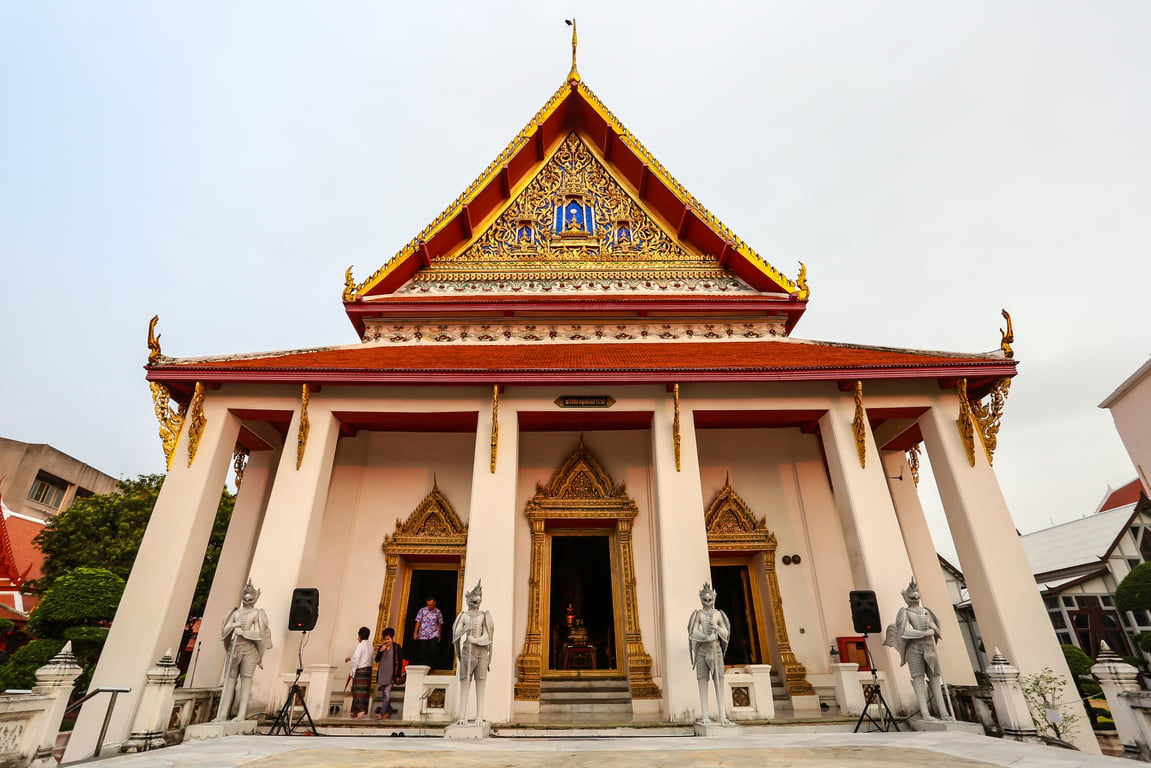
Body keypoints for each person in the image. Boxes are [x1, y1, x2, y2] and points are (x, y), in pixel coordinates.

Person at [884, 578, 953, 721]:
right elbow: (904, 632)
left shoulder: (926, 612)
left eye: (916, 594)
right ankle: (925, 713)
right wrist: (924, 633)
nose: (914, 597)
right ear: (905, 598)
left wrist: (934, 629)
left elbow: (938, 631)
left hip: (929, 648)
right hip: (914, 649)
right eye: (911, 595)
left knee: (935, 678)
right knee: (918, 679)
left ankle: (944, 713)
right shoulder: (904, 612)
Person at [214, 579, 272, 722]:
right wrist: (234, 625)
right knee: (229, 680)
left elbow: (259, 633)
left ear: (255, 599)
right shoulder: (235, 613)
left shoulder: (257, 613)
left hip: (249, 650)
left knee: (246, 680)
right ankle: (221, 714)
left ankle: (241, 713)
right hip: (235, 648)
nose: (247, 600)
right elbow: (224, 631)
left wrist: (244, 632)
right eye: (245, 597)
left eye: (250, 598)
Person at [687, 581, 732, 725]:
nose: (707, 601)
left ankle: (722, 715)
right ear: (701, 599)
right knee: (702, 682)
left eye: (709, 599)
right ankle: (705, 714)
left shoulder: (718, 614)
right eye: (705, 599)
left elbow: (726, 632)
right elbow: (693, 632)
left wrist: (717, 629)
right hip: (703, 651)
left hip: (716, 650)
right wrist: (706, 637)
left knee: (719, 681)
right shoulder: (698, 614)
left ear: (714, 598)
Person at [452, 580, 494, 725]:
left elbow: (488, 636)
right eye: (474, 598)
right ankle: (462, 716)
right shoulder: (463, 616)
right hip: (467, 652)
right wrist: (464, 630)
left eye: (479, 598)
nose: (477, 600)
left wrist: (475, 640)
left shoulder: (484, 615)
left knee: (480, 683)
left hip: (481, 652)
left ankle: (479, 716)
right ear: (469, 600)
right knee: (465, 683)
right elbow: (456, 636)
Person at [374, 627, 403, 719]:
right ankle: (389, 711)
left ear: (392, 638)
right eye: (385, 639)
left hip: (391, 674)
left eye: (388, 639)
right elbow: (376, 660)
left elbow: (400, 661)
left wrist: (398, 675)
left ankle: (382, 714)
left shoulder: (396, 647)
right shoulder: (381, 648)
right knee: (384, 694)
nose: (386, 641)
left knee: (386, 693)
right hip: (382, 673)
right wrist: (380, 651)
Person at [345, 626, 373, 719]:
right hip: (368, 670)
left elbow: (356, 659)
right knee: (365, 691)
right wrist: (350, 658)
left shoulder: (360, 646)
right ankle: (355, 711)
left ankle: (361, 709)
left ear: (359, 635)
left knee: (357, 691)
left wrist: (352, 671)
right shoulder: (370, 646)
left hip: (360, 670)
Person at [413, 596, 443, 669]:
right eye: (428, 604)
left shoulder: (438, 612)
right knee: (423, 651)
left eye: (431, 605)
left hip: (434, 634)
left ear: (434, 603)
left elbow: (440, 623)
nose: (429, 606)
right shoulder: (422, 610)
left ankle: (432, 666)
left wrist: (439, 635)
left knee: (433, 650)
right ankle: (424, 667)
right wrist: (415, 632)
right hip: (423, 634)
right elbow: (418, 621)